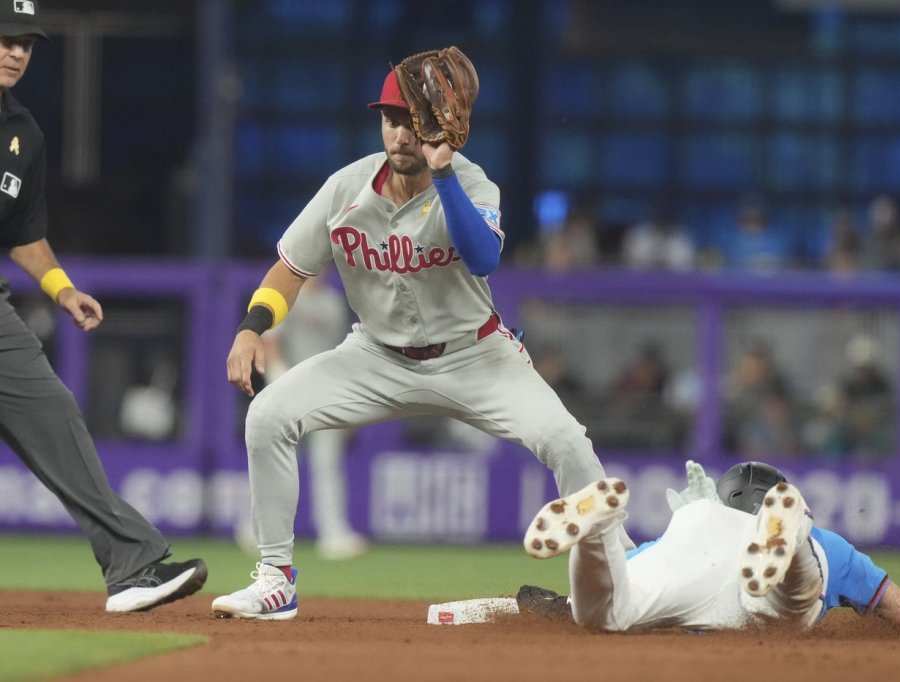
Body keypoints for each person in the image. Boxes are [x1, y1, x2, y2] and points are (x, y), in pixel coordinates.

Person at [212, 50, 631, 620]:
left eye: (414, 119)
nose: (400, 132)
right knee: (268, 416)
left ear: (442, 126)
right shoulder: (346, 189)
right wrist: (251, 327)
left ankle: (625, 576)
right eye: (391, 118)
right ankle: (275, 580)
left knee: (567, 441)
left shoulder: (472, 183)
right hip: (375, 357)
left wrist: (443, 172)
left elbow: (482, 257)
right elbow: (290, 268)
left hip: (475, 356)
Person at [0, 3, 206, 612]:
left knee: (54, 415)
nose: (16, 52)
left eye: (26, 44)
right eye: (5, 40)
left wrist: (62, 288)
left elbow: (25, 236)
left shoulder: (22, 133)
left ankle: (132, 566)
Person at [520, 461, 900, 638]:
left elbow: (576, 605)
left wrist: (548, 602)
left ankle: (598, 532)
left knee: (607, 613)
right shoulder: (835, 547)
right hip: (759, 596)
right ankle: (793, 538)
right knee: (788, 601)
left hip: (693, 554)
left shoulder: (690, 522)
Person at [234, 271, 367, 560]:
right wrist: (279, 382)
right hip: (289, 386)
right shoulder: (287, 295)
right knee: (273, 460)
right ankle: (252, 528)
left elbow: (341, 350)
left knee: (327, 462)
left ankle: (333, 533)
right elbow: (270, 343)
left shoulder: (332, 301)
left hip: (325, 391)